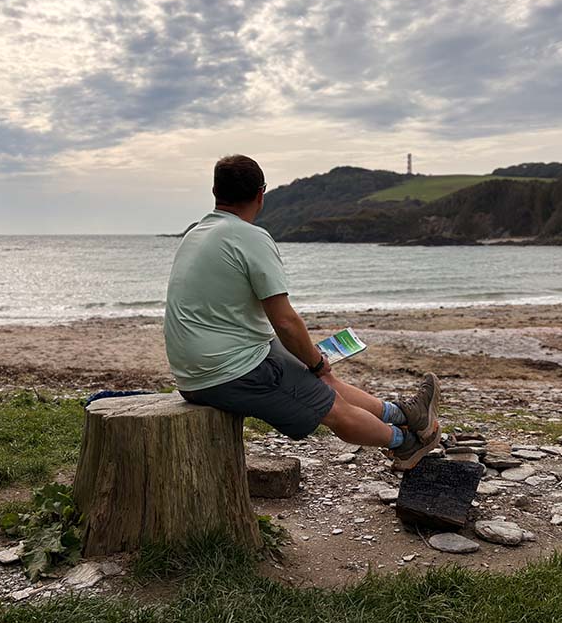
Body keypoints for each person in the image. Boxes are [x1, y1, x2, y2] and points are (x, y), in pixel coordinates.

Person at [164, 154, 441, 469]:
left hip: (192, 372)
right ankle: (405, 443)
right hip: (230, 372)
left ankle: (404, 414)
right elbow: (284, 320)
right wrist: (315, 362)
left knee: (317, 373)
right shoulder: (250, 236)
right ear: (260, 195)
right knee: (332, 406)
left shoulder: (195, 234)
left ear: (216, 192)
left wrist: (312, 362)